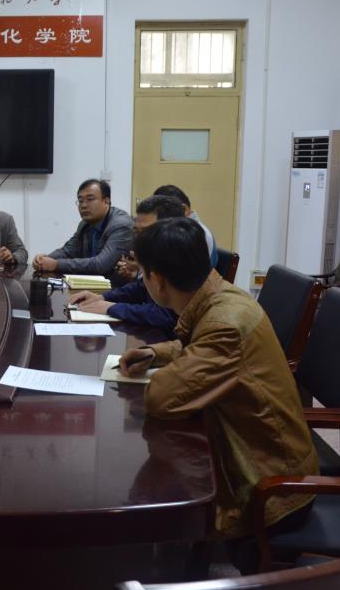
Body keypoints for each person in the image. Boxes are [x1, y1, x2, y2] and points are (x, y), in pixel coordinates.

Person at [117, 218, 317, 550]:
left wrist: (166, 370)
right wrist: (155, 352)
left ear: (158, 280)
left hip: (274, 491)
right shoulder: (221, 296)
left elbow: (161, 398)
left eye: (143, 274)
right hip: (263, 460)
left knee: (145, 496)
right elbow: (200, 347)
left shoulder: (225, 324)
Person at [69, 195, 185, 337]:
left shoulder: (183, 258)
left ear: (171, 229)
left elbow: (167, 316)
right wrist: (103, 298)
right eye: (136, 232)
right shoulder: (159, 256)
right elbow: (140, 289)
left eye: (146, 232)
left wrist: (113, 308)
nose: (138, 240)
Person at [33, 178, 133, 283]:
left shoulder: (121, 225)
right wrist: (44, 259)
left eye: (90, 199)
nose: (84, 205)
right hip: (92, 283)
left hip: (118, 288)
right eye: (80, 201)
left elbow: (101, 265)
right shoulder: (85, 224)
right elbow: (68, 250)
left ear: (106, 201)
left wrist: (56, 264)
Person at [153, 184, 218, 268]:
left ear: (184, 209)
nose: (159, 220)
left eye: (163, 214)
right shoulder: (182, 230)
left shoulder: (197, 235)